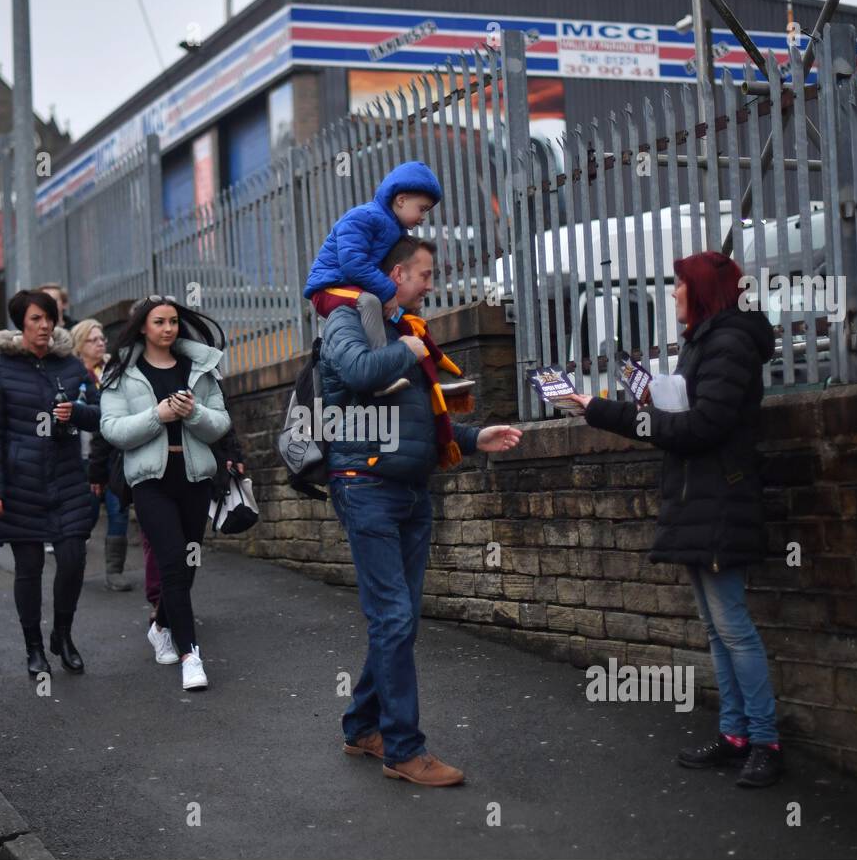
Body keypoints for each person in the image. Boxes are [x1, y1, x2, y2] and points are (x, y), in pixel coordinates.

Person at [561, 250, 783, 789]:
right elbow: (685, 413)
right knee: (715, 626)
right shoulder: (706, 342)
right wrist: (648, 397)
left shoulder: (728, 345)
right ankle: (734, 735)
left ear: (704, 291)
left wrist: (603, 410)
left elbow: (702, 426)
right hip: (699, 497)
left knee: (733, 626)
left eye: (681, 286)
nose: (674, 295)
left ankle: (766, 741)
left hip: (720, 499)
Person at [321, 236, 521, 786]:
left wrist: (477, 436)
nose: (432, 285)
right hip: (365, 486)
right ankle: (404, 751)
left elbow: (421, 422)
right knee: (394, 618)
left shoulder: (407, 329)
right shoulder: (344, 320)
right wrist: (408, 350)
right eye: (425, 274)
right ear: (395, 272)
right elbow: (360, 373)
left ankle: (363, 724)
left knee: (399, 618)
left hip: (411, 490)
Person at [99, 295, 230, 691]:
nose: (168, 329)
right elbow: (113, 429)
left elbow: (220, 423)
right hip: (151, 479)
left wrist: (193, 413)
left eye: (173, 321)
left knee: (187, 564)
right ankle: (191, 655)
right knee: (172, 560)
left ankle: (160, 624)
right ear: (143, 326)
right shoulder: (123, 371)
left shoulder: (199, 367)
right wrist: (159, 415)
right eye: (159, 322)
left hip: (193, 477)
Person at [0, 289, 101, 677]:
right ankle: (33, 645)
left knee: (72, 560)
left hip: (66, 478)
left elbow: (102, 415)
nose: (45, 325)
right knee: (28, 567)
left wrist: (77, 413)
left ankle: (62, 635)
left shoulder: (71, 366)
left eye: (49, 317)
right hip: (20, 484)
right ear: (21, 323)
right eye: (36, 319)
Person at [304, 161, 469, 401]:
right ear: (401, 200)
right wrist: (387, 291)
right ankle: (384, 372)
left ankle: (437, 372)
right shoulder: (363, 217)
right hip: (329, 287)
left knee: (406, 318)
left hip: (353, 286)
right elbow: (352, 263)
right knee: (370, 301)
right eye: (421, 209)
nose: (423, 217)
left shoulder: (397, 230)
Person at [71, 317, 132, 591]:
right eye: (93, 340)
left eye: (102, 339)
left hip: (114, 454)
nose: (100, 344)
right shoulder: (71, 375)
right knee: (88, 513)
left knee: (118, 510)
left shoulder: (113, 371)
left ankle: (114, 572)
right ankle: (73, 564)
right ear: (79, 345)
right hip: (82, 456)